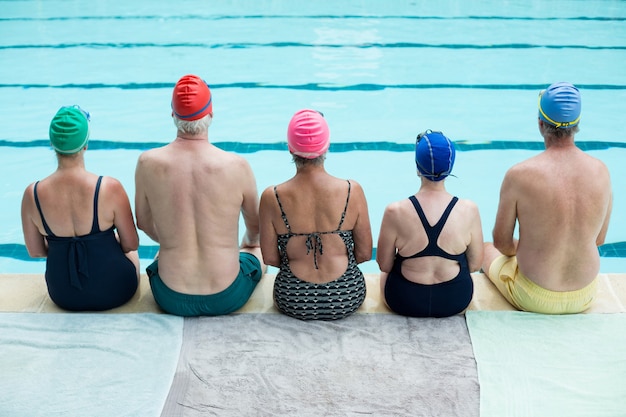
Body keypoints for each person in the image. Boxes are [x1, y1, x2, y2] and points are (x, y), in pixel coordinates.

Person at [134, 74, 266, 317]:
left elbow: (143, 222)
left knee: (163, 252)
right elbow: (256, 226)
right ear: (211, 115)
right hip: (228, 294)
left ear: (173, 116)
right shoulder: (237, 166)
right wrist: (248, 243)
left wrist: (172, 241)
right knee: (256, 249)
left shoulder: (147, 163)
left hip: (169, 296)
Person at [482, 82, 612, 314]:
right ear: (577, 125)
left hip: (532, 295)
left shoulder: (519, 175)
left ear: (541, 124)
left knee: (484, 249)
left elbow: (502, 243)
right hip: (585, 295)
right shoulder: (600, 171)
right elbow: (599, 239)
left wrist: (535, 250)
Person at [20, 105, 140, 311]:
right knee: (130, 252)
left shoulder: (33, 194)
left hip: (63, 294)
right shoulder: (109, 188)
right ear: (85, 145)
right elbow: (131, 244)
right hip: (116, 290)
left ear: (52, 143)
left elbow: (36, 251)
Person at [259, 109, 373, 320]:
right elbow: (365, 253)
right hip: (346, 295)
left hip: (292, 298)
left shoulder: (271, 197)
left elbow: (270, 258)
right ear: (326, 146)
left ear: (290, 148)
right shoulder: (351, 191)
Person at [376, 130, 483, 317]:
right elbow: (475, 265)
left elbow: (384, 265)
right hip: (455, 299)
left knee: (386, 274)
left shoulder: (395, 211)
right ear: (450, 169)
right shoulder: (469, 210)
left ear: (418, 168)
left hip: (404, 300)